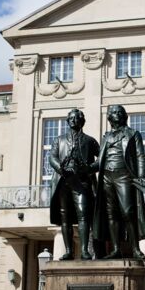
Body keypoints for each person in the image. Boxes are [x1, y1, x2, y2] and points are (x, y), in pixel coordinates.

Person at [92, 104, 145, 260]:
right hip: (106, 177)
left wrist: (142, 176)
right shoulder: (106, 137)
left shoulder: (133, 134)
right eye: (113, 112)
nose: (116, 114)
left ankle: (135, 249)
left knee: (127, 211)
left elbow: (140, 156)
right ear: (109, 117)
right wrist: (84, 168)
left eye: (119, 112)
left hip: (123, 175)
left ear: (125, 116)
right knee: (111, 214)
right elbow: (99, 162)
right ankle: (116, 249)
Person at [48, 109, 100, 260]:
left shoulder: (90, 141)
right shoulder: (59, 140)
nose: (73, 120)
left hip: (82, 182)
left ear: (82, 121)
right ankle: (68, 251)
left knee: (83, 214)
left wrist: (89, 168)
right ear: (67, 121)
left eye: (77, 118)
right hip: (63, 181)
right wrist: (61, 168)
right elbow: (52, 157)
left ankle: (84, 250)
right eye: (71, 118)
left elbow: (101, 159)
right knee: (65, 216)